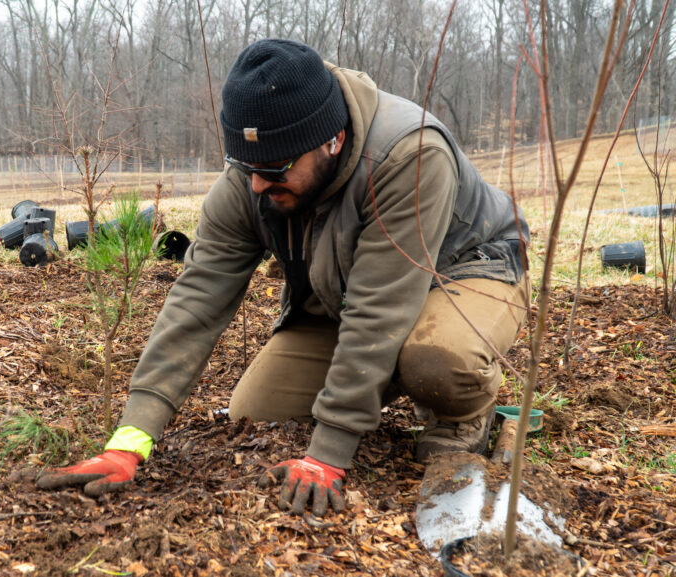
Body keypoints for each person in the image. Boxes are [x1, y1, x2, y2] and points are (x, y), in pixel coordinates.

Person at [37, 38, 530, 517]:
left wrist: (328, 453)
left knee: (437, 363)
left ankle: (462, 411)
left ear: (332, 140)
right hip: (345, 294)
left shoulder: (409, 157)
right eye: (246, 166)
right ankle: (395, 374)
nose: (257, 184)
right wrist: (130, 440)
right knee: (257, 408)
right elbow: (197, 299)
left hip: (465, 271)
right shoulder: (252, 180)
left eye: (275, 169)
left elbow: (380, 308)